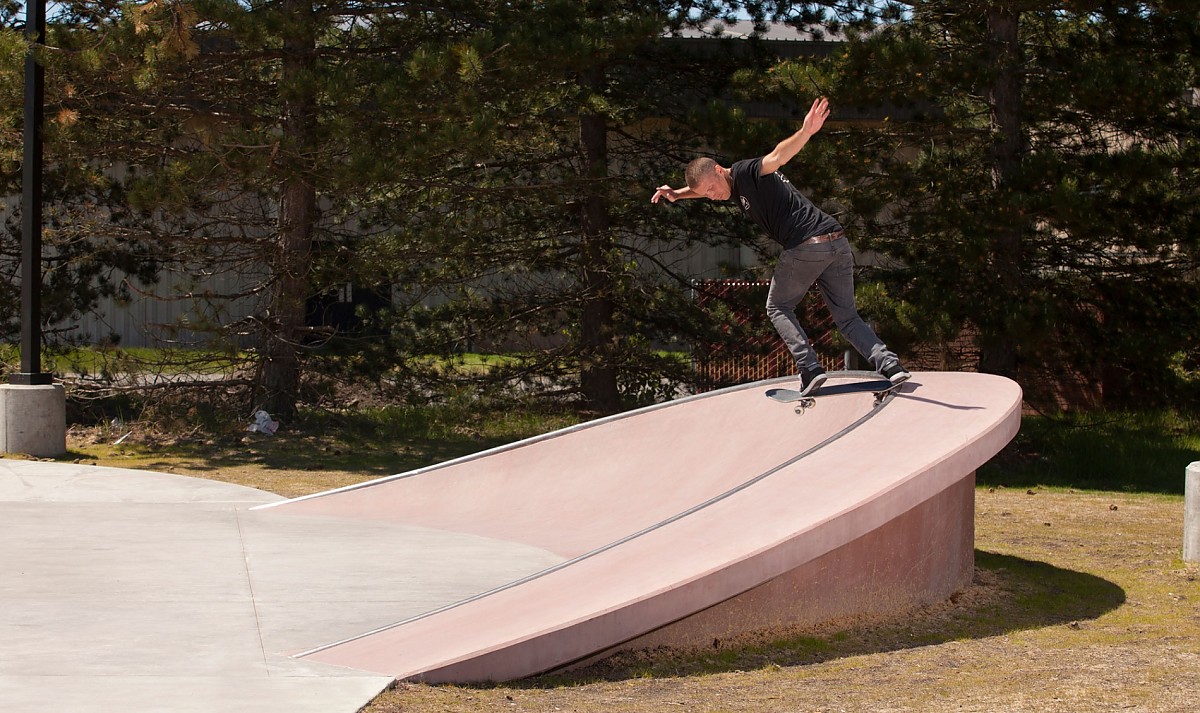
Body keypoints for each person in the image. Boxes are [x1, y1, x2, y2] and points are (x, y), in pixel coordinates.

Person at [651, 96, 909, 396]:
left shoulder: (747, 172)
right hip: (836, 242)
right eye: (706, 195)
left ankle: (810, 368)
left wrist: (806, 132)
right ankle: (890, 365)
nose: (712, 196)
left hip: (806, 245)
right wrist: (679, 195)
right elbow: (703, 189)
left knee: (777, 306)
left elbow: (776, 156)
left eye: (712, 189)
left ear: (721, 170)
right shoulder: (733, 188)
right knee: (847, 317)